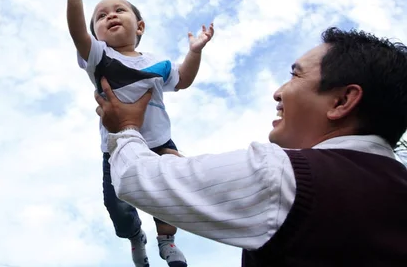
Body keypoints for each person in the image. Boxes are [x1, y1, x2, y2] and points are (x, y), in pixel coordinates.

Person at [94, 27, 407, 267]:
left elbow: (138, 179)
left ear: (341, 101)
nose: (278, 92)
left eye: (295, 76)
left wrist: (124, 129)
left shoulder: (284, 176)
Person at [51, 0, 214, 267]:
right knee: (118, 206)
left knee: (169, 189)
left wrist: (194, 52)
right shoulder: (99, 57)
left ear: (139, 26)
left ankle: (167, 239)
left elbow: (184, 79)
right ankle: (135, 236)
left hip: (159, 142)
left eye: (119, 10)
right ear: (96, 34)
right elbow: (78, 34)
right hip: (116, 148)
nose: (110, 16)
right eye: (100, 16)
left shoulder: (156, 63)